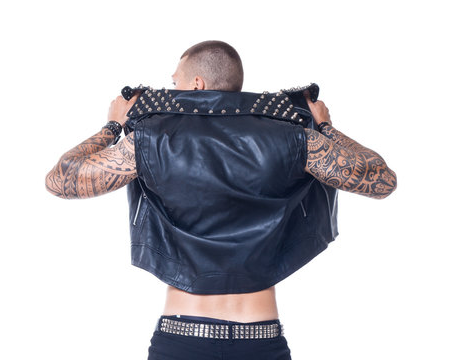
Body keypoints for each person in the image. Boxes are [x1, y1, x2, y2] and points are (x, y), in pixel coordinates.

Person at [45, 40, 397, 359]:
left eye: (176, 82)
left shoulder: (150, 140)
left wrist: (112, 125)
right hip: (261, 338)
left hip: (182, 338)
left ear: (196, 84)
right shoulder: (295, 139)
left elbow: (61, 180)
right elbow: (381, 179)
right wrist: (325, 127)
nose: (171, 91)